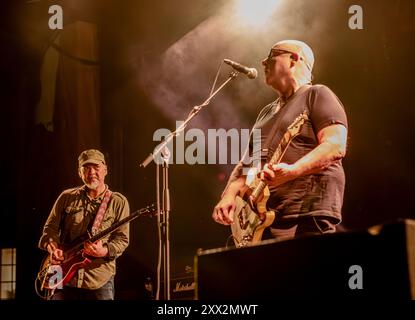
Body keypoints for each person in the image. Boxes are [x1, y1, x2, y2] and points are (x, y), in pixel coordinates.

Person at [212, 40, 348, 241]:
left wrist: (293, 171)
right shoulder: (265, 113)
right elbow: (247, 164)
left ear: (294, 59)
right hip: (264, 219)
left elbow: (335, 146)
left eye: (271, 55)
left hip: (306, 214)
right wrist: (230, 194)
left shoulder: (316, 94)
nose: (263, 61)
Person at [38, 149, 130, 300]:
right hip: (60, 273)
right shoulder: (66, 197)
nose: (91, 172)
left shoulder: (118, 202)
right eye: (86, 168)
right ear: (79, 173)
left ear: (105, 170)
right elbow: (50, 229)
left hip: (98, 279)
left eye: (96, 167)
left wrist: (104, 251)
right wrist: (52, 248)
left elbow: (122, 239)